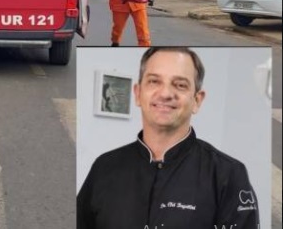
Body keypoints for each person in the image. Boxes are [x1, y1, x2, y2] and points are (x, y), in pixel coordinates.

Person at [77, 47, 259, 229]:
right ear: (138, 93)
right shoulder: (104, 167)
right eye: (154, 81)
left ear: (197, 100)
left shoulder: (227, 175)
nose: (165, 94)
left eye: (180, 85)